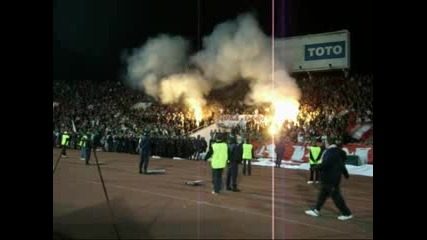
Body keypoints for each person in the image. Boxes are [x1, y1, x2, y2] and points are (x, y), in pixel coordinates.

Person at [305, 137, 353, 220]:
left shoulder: (330, 152)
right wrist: (345, 174)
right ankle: (316, 210)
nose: (324, 143)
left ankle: (347, 213)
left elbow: (325, 164)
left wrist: (315, 168)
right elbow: (341, 165)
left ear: (328, 143)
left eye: (325, 142)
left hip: (330, 178)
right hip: (331, 178)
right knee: (322, 195)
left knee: (336, 196)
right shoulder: (338, 151)